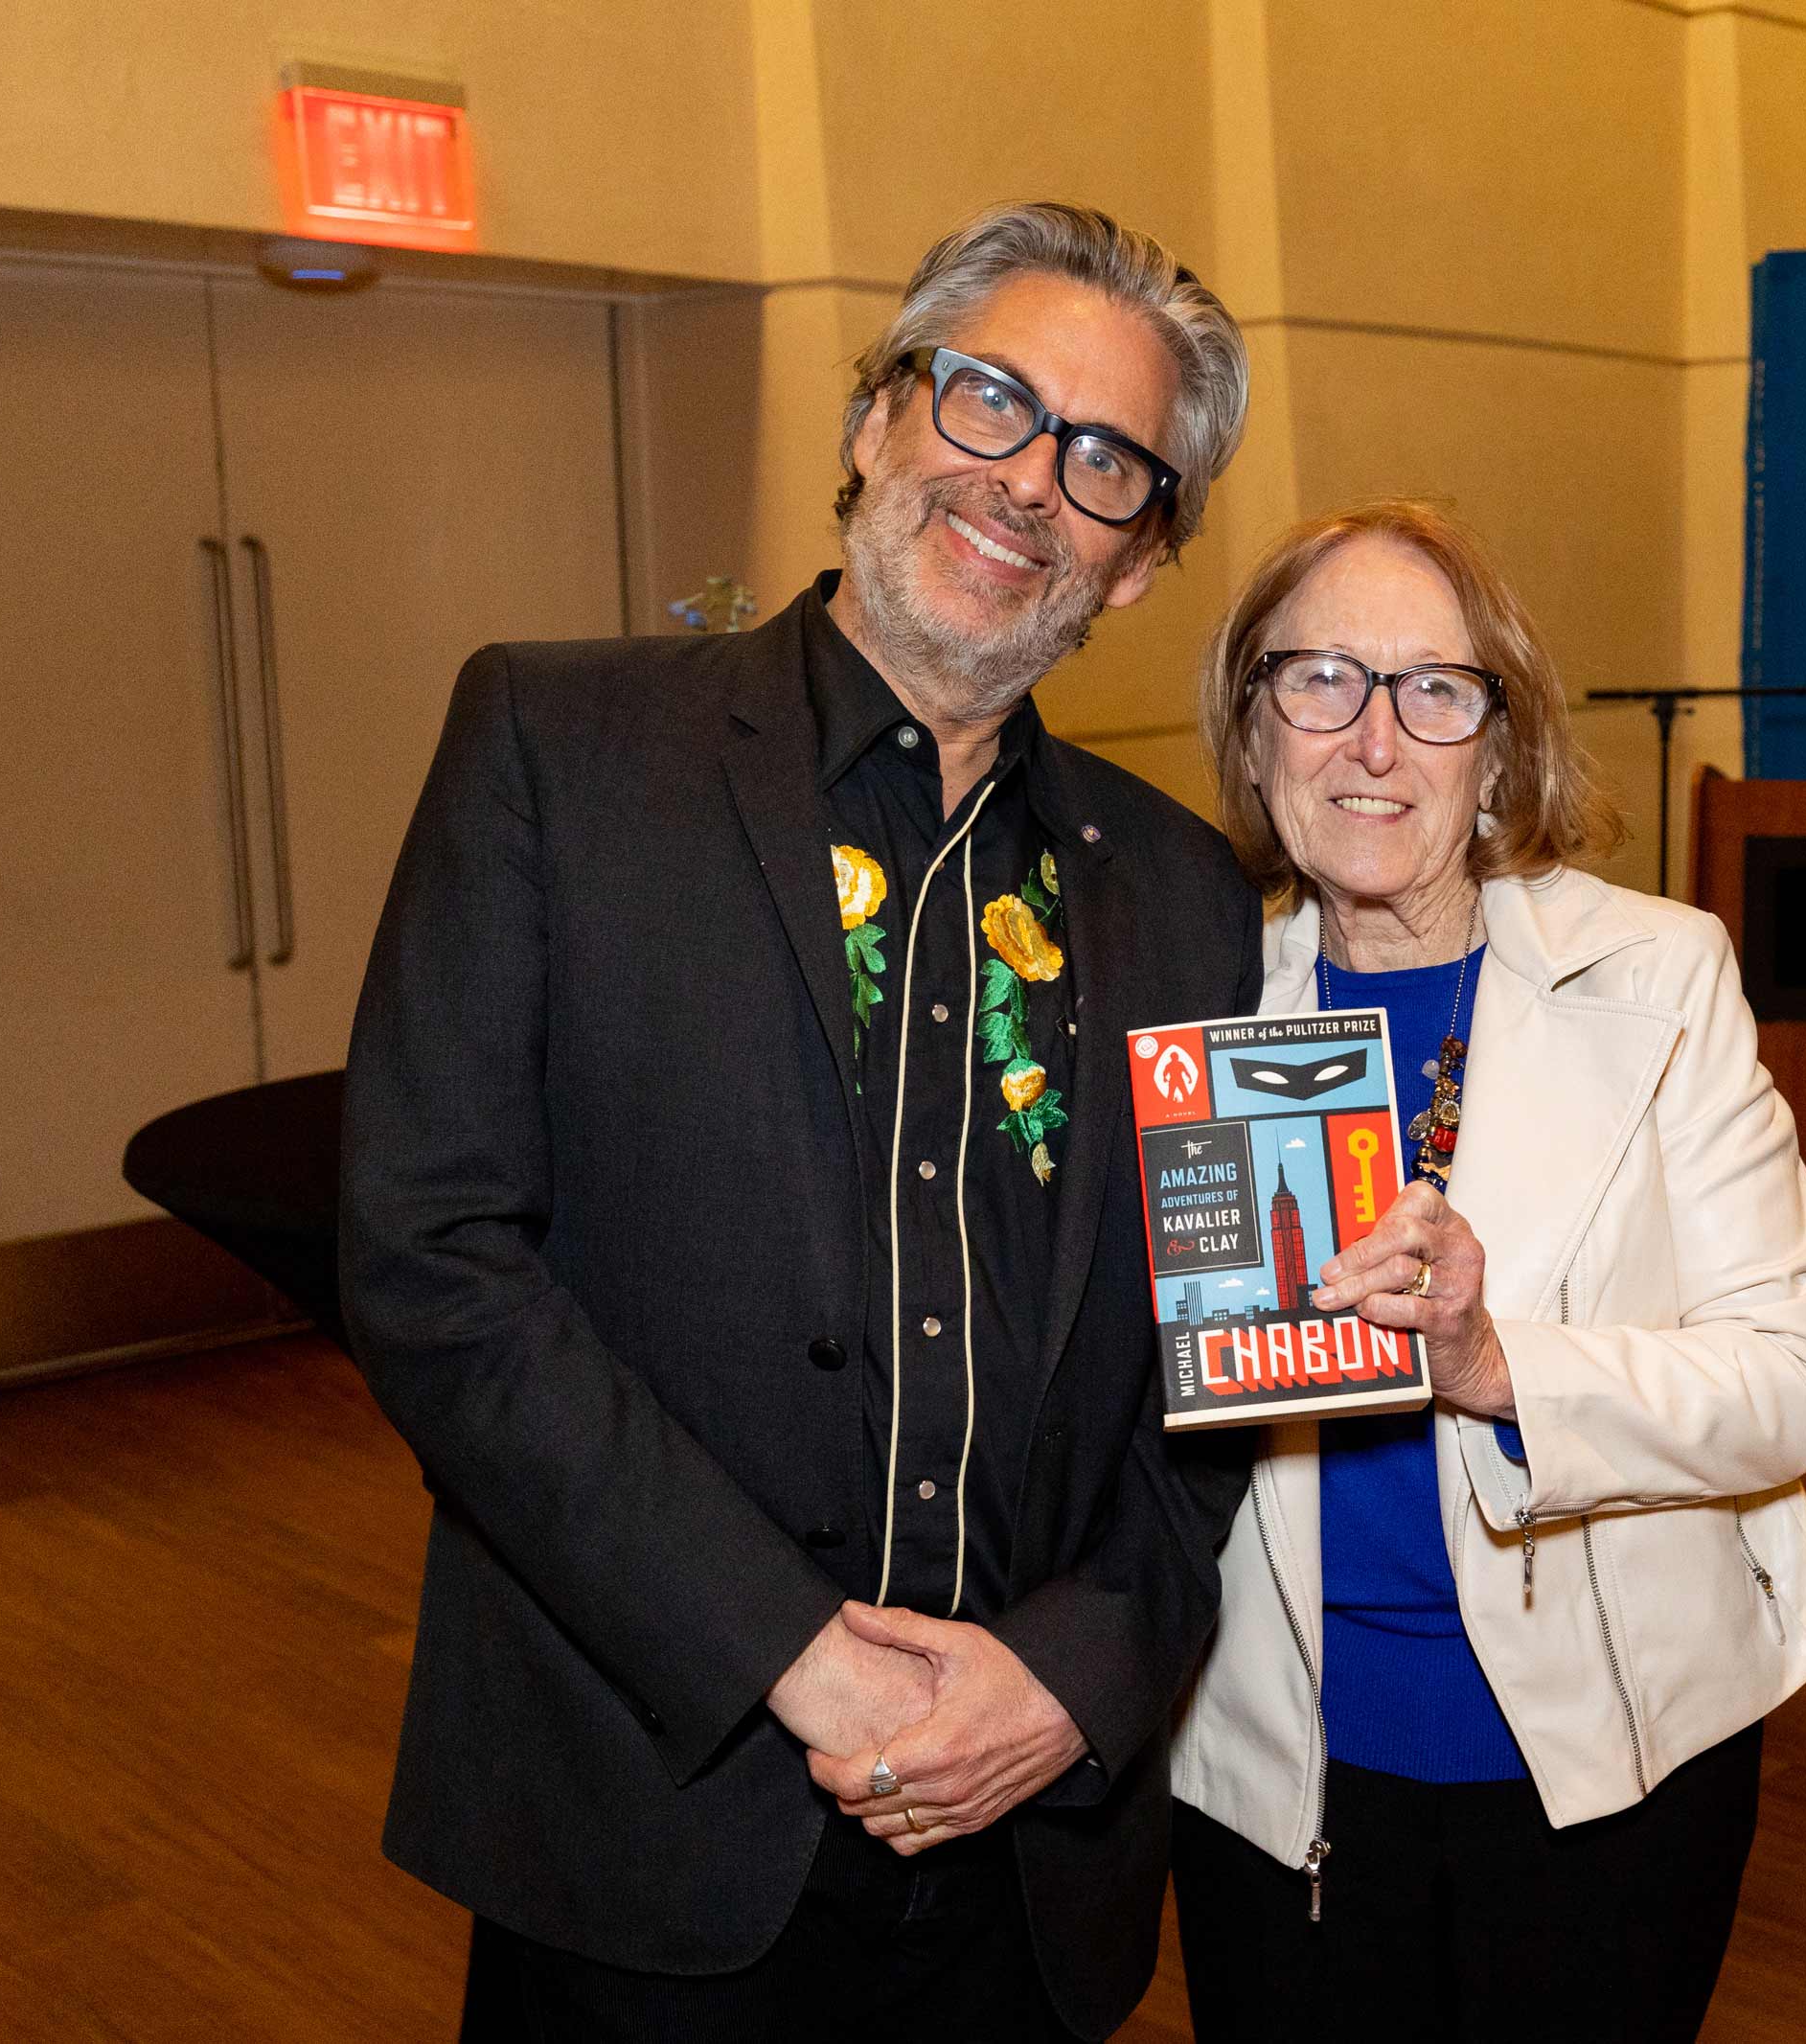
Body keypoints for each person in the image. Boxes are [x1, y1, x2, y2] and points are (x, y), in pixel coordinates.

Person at [340, 201, 1261, 2041]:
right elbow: (431, 1260)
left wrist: (1072, 1679)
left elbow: (1222, 1368)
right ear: (874, 421)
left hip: (1016, 1852)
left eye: (1105, 461)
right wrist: (786, 1653)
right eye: (989, 398)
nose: (1026, 482)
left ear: (1139, 564)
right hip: (653, 1812)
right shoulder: (560, 748)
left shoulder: (1183, 894)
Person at [1166, 500, 1806, 2041]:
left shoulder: (1661, 976)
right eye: (1320, 679)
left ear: (1499, 749)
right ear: (1255, 721)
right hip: (1278, 1773)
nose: (1371, 741)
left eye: (1433, 690)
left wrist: (1495, 1367)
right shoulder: (1193, 1004)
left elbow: (1788, 1384)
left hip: (1603, 1771)